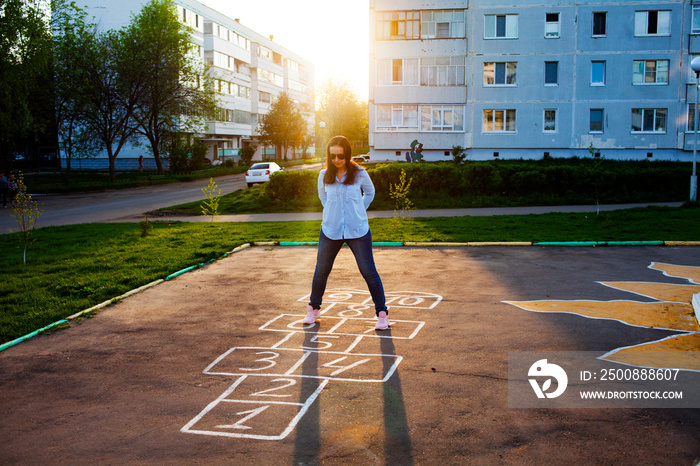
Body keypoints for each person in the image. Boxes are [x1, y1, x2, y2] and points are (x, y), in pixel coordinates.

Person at [303, 135, 389, 330]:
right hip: (330, 229)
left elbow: (370, 192)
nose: (336, 160)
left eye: (340, 156)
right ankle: (313, 309)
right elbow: (322, 197)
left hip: (357, 229)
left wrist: (358, 209)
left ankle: (382, 313)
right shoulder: (324, 174)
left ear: (347, 154)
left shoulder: (359, 173)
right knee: (321, 271)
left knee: (368, 271)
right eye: (332, 156)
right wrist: (333, 213)